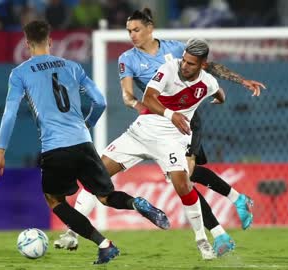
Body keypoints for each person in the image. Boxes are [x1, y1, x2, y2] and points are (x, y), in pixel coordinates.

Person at [55, 8, 265, 257]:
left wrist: (241, 82)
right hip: (153, 119)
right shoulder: (128, 58)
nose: (132, 35)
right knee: (105, 175)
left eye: (136, 30)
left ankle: (219, 226)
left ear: (150, 28)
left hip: (184, 122)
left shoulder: (176, 51)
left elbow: (211, 71)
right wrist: (144, 109)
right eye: (128, 31)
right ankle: (232, 208)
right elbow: (128, 95)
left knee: (184, 179)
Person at [0, 20, 170, 265]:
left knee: (54, 199)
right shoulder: (72, 67)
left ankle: (104, 244)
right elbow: (100, 102)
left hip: (55, 147)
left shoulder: (20, 73)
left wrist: (1, 152)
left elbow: (9, 114)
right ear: (50, 42)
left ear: (27, 43)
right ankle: (135, 203)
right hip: (84, 144)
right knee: (106, 196)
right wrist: (88, 125)